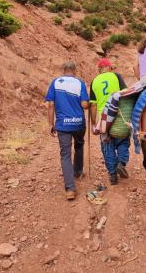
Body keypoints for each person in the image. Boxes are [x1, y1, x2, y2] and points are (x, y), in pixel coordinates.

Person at [45, 61, 89, 201]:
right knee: (79, 145)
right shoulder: (80, 83)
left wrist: (51, 123)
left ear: (63, 70)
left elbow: (51, 105)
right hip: (78, 123)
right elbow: (84, 104)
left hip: (62, 125)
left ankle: (70, 188)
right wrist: (89, 104)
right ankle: (78, 171)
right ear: (75, 70)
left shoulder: (55, 82)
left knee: (65, 154)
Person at [89, 58, 129, 185]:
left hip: (104, 117)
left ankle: (112, 175)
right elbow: (126, 93)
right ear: (110, 67)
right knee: (123, 139)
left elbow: (93, 105)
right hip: (118, 113)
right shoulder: (116, 76)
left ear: (99, 70)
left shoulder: (94, 81)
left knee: (107, 144)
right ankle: (121, 163)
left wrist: (94, 123)